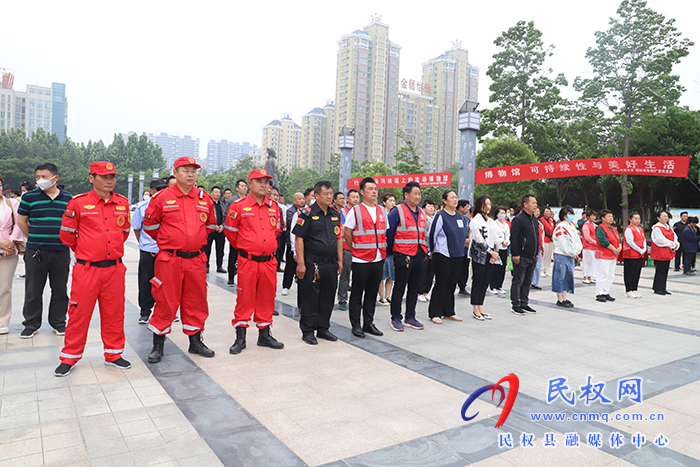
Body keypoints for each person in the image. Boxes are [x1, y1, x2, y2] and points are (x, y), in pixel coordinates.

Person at [54, 162, 131, 376]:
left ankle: (114, 353)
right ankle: (69, 356)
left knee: (114, 312)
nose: (110, 181)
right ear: (91, 177)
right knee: (79, 312)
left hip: (114, 269)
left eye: (112, 177)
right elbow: (67, 235)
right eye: (104, 177)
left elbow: (124, 232)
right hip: (87, 270)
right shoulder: (78, 203)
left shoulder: (122, 203)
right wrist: (88, 251)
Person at [143, 157, 217, 363]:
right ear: (175, 173)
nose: (191, 174)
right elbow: (149, 226)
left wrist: (194, 241)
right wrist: (169, 241)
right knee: (165, 301)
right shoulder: (162, 197)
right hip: (170, 260)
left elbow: (210, 225)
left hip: (195, 260)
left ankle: (195, 342)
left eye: (193, 171)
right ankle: (158, 344)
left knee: (196, 301)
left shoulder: (204, 199)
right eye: (185, 170)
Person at [225, 168, 284, 354]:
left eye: (267, 182)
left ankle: (264, 335)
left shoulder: (273, 207)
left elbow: (277, 231)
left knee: (267, 298)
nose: (264, 185)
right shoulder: (239, 206)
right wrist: (249, 247)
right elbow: (231, 233)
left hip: (268, 262)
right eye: (259, 181)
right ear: (250, 184)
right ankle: (240, 338)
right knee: (245, 298)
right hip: (247, 261)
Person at [17, 163, 72, 338]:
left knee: (60, 288)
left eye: (44, 177)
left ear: (55, 178)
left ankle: (58, 322)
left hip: (61, 251)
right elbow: (21, 222)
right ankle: (31, 324)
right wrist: (33, 238)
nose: (40, 180)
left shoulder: (68, 199)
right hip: (36, 251)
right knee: (33, 289)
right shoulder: (30, 198)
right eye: (37, 177)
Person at [293, 181, 343, 344]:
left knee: (328, 296)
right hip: (312, 263)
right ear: (316, 195)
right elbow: (299, 238)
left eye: (331, 193)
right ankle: (308, 330)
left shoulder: (335, 213)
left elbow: (339, 238)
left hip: (330, 263)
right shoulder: (307, 214)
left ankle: (323, 328)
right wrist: (300, 263)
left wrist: (340, 261)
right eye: (326, 193)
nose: (330, 196)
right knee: (310, 297)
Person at [343, 178, 386, 338]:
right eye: (370, 189)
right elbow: (347, 231)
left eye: (375, 189)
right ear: (362, 192)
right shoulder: (356, 210)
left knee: (372, 292)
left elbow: (384, 232)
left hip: (378, 257)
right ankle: (356, 325)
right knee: (357, 293)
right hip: (361, 259)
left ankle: (368, 323)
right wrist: (355, 248)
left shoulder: (382, 210)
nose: (374, 191)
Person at [386, 181, 427, 331]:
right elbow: (389, 233)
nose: (418, 196)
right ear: (406, 194)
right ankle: (396, 318)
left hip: (418, 254)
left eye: (419, 194)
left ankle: (410, 317)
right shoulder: (397, 211)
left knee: (414, 288)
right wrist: (391, 253)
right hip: (402, 254)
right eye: (415, 193)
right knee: (400, 287)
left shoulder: (421, 212)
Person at [132, 178, 168, 323]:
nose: (162, 192)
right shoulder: (142, 207)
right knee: (145, 281)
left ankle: (165, 310)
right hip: (148, 250)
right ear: (151, 191)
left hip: (166, 251)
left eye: (164, 189)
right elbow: (136, 228)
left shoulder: (169, 206)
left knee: (166, 283)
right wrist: (144, 243)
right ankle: (145, 311)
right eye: (159, 189)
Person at [427, 190, 466, 324]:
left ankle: (449, 312)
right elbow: (432, 235)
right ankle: (435, 313)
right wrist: (432, 251)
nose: (455, 200)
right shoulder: (440, 216)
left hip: (458, 255)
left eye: (456, 197)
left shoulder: (459, 217)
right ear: (445, 200)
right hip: (443, 254)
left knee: (451, 284)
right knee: (441, 283)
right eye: (452, 198)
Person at [0, 174, 26, 335]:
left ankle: (2, 320)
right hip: (3, 244)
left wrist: (10, 242)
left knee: (4, 287)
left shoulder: (11, 203)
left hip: (8, 250)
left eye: (0, 184)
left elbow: (19, 224)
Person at [468, 195, 500, 320]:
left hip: (491, 255)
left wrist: (495, 253)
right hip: (479, 255)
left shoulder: (491, 221)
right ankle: (475, 308)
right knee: (478, 281)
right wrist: (490, 252)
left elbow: (496, 238)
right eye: (485, 204)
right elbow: (479, 239)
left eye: (489, 204)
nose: (488, 207)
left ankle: (481, 306)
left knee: (485, 282)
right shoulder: (475, 220)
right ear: (480, 205)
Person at [510, 194, 540, 315]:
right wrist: (515, 254)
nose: (535, 205)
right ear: (525, 204)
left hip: (532, 256)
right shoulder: (519, 219)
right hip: (521, 256)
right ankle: (515, 304)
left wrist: (536, 252)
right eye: (533, 203)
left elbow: (536, 237)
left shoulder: (534, 220)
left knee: (527, 281)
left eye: (536, 203)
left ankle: (524, 302)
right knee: (518, 281)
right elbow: (514, 237)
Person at [552, 206, 582, 308]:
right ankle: (560, 299)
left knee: (567, 277)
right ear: (564, 216)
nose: (571, 216)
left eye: (572, 214)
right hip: (562, 255)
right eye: (569, 214)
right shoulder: (561, 227)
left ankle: (565, 297)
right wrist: (571, 253)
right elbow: (563, 243)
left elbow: (577, 240)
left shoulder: (572, 226)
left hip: (571, 256)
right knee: (560, 277)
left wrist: (577, 251)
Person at [223, 179, 249, 286]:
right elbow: (226, 216)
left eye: (245, 186)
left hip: (246, 235)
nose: (244, 188)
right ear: (237, 188)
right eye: (242, 186)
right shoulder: (232, 201)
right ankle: (231, 277)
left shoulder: (250, 200)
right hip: (235, 234)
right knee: (233, 256)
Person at [337, 188, 359, 311]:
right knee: (345, 275)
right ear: (348, 199)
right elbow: (345, 228)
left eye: (357, 197)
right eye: (353, 197)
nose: (355, 199)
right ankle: (342, 299)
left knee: (358, 276)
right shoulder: (342, 212)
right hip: (347, 248)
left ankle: (356, 299)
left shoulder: (360, 211)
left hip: (359, 249)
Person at [281, 192, 306, 296]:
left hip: (304, 245)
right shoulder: (291, 211)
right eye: (299, 199)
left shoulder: (307, 211)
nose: (301, 200)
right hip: (292, 244)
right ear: (294, 201)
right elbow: (293, 226)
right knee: (290, 266)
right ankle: (286, 286)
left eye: (303, 198)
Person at [594, 209, 621, 302]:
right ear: (602, 218)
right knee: (602, 275)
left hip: (613, 255)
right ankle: (599, 293)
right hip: (603, 255)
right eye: (609, 217)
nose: (611, 218)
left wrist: (619, 247)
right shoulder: (600, 228)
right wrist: (614, 249)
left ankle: (606, 292)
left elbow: (619, 239)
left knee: (610, 275)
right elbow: (603, 241)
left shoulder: (613, 228)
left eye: (612, 217)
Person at [650, 211, 678, 295]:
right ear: (658, 218)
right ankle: (658, 288)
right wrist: (672, 244)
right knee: (660, 270)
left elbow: (675, 236)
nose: (666, 218)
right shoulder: (657, 228)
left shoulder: (668, 227)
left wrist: (676, 243)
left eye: (667, 216)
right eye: (663, 216)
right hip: (660, 252)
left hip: (668, 252)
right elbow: (659, 239)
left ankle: (663, 288)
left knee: (665, 270)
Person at [202, 186, 227, 274]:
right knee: (207, 248)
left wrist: (222, 225)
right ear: (211, 193)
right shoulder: (208, 203)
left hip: (220, 230)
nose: (217, 194)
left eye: (219, 192)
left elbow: (225, 217)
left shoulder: (222, 204)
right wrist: (213, 226)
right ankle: (206, 266)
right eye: (215, 192)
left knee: (220, 249)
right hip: (211, 229)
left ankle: (219, 266)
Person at [378, 193, 396, 306]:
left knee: (391, 275)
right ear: (384, 202)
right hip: (382, 248)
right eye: (390, 200)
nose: (392, 203)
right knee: (382, 274)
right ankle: (381, 296)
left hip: (393, 248)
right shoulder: (380, 214)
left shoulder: (395, 214)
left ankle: (388, 296)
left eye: (394, 201)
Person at [622, 212, 646, 297]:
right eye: (635, 218)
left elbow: (644, 239)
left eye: (639, 218)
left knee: (637, 272)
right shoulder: (629, 229)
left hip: (639, 254)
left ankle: (635, 289)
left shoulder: (640, 229)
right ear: (630, 219)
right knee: (629, 272)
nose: (637, 220)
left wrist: (644, 249)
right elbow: (630, 241)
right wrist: (640, 250)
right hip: (630, 254)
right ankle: (629, 290)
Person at [489, 206, 510, 296]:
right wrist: (501, 242)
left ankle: (499, 286)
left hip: (505, 248)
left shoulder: (505, 224)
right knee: (495, 268)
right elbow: (494, 236)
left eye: (504, 213)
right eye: (501, 213)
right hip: (497, 247)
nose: (502, 215)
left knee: (502, 268)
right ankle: (492, 286)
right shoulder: (494, 223)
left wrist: (506, 242)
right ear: (497, 214)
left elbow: (508, 235)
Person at [419, 199, 436, 302]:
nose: (431, 208)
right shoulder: (423, 219)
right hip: (425, 249)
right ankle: (420, 292)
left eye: (432, 206)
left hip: (434, 249)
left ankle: (426, 291)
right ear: (424, 208)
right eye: (429, 206)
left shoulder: (435, 218)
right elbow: (424, 235)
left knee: (431, 272)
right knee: (423, 272)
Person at [456, 200, 471, 296]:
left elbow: (470, 230)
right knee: (456, 268)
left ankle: (462, 287)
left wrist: (469, 239)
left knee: (465, 268)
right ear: (460, 207)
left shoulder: (467, 219)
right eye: (466, 207)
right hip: (457, 249)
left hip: (466, 250)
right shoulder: (454, 217)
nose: (468, 209)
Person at [581, 210, 598, 284]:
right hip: (587, 247)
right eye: (592, 216)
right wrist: (595, 242)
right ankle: (585, 277)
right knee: (587, 262)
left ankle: (590, 276)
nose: (594, 217)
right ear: (588, 217)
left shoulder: (594, 225)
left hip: (594, 247)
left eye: (594, 216)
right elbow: (587, 237)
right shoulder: (586, 225)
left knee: (592, 262)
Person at [530, 207, 545, 290]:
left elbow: (542, 236)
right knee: (531, 265)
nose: (537, 213)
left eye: (538, 211)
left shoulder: (540, 223)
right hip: (532, 247)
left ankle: (535, 282)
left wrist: (543, 247)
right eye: (535, 211)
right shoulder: (530, 222)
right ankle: (530, 282)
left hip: (539, 247)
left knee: (538, 265)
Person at [540, 207, 555, 277]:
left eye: (549, 211)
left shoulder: (551, 221)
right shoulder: (541, 220)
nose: (548, 213)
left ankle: (546, 270)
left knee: (549, 256)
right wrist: (550, 235)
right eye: (546, 211)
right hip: (545, 240)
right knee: (544, 255)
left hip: (551, 240)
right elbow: (543, 230)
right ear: (543, 212)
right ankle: (542, 270)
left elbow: (553, 228)